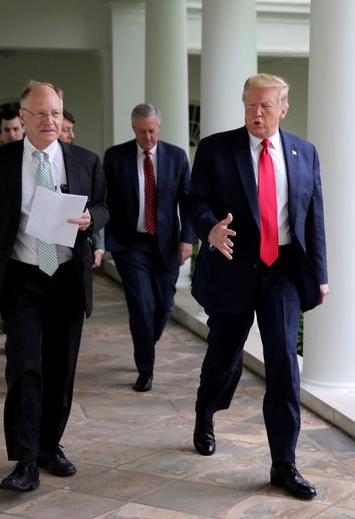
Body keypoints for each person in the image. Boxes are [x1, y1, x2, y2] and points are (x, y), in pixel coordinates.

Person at [186, 73, 328, 500]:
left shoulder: (304, 152)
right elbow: (195, 201)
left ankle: (284, 463)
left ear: (283, 109)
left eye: (266, 106)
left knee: (284, 365)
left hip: (281, 271)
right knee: (224, 357)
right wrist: (209, 229)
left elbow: (313, 215)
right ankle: (205, 412)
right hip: (233, 265)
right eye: (250, 105)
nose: (257, 113)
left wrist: (320, 273)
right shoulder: (215, 148)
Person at [0, 80, 108, 492]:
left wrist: (91, 220)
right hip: (23, 276)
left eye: (56, 113)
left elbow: (102, 206)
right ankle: (24, 460)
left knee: (61, 369)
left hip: (67, 276)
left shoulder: (85, 161)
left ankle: (49, 446)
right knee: (24, 368)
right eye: (40, 113)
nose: (50, 120)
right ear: (23, 118)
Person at [104, 103, 193, 391]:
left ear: (159, 127)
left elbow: (188, 202)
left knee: (164, 306)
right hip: (129, 245)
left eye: (152, 131)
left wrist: (187, 239)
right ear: (134, 129)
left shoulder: (177, 157)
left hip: (166, 244)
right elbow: (104, 200)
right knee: (141, 307)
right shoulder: (115, 157)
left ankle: (146, 342)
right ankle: (146, 369)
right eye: (142, 132)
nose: (148, 137)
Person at [58, 109, 104, 268]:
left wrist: (98, 246)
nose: (72, 135)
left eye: (71, 130)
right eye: (66, 130)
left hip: (74, 257)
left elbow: (94, 206)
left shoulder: (85, 163)